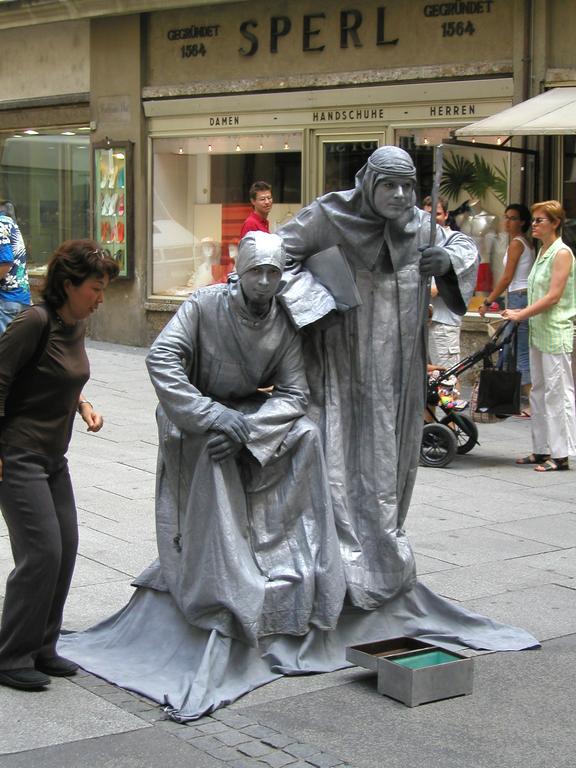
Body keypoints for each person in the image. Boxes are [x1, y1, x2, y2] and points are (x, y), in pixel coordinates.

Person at [278, 146, 479, 607]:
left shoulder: (420, 225)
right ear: (367, 181)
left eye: (409, 185)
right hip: (339, 361)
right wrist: (316, 302)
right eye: (389, 184)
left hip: (399, 365)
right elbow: (275, 256)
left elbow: (460, 246)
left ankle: (383, 552)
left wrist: (446, 263)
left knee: (391, 453)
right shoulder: (328, 214)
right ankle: (339, 557)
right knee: (339, 450)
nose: (402, 195)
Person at [139, 230, 345, 645]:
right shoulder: (204, 304)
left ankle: (287, 554)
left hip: (247, 413)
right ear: (240, 272)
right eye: (257, 272)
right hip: (194, 410)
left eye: (273, 272)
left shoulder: (283, 325)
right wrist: (210, 414)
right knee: (212, 450)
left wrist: (249, 432)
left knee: (306, 436)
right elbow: (161, 357)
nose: (265, 282)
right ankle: (220, 579)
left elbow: (294, 392)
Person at [0, 240, 118, 691]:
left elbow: (58, 375)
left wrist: (82, 404)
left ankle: (43, 647)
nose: (100, 298)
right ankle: (11, 655)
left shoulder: (75, 324)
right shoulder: (34, 321)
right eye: (95, 288)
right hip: (19, 455)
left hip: (53, 458)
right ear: (68, 284)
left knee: (65, 550)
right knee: (41, 554)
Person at [503, 201, 576, 472]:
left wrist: (521, 314)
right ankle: (541, 448)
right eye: (533, 220)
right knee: (539, 391)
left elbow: (554, 295)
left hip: (555, 330)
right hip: (538, 330)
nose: (534, 224)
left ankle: (560, 454)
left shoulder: (562, 253)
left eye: (539, 220)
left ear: (555, 223)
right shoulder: (542, 251)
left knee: (558, 392)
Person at [479, 204, 535, 415]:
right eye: (506, 217)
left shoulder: (517, 244)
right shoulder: (525, 243)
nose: (507, 222)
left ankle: (532, 403)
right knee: (510, 349)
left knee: (518, 352)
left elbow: (506, 277)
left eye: (512, 218)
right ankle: (512, 400)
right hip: (519, 297)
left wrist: (487, 301)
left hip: (519, 298)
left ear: (522, 222)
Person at [423, 196, 476, 410]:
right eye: (426, 215)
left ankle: (450, 428)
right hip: (424, 322)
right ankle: (430, 428)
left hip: (443, 323)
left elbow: (436, 289)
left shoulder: (456, 242)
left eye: (435, 214)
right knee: (429, 380)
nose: (430, 219)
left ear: (445, 215)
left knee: (446, 377)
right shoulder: (422, 243)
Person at [0, 200, 31, 335]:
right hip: (20, 298)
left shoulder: (1, 224)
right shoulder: (10, 224)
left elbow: (5, 262)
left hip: (7, 300)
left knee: (5, 351)